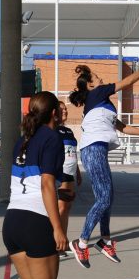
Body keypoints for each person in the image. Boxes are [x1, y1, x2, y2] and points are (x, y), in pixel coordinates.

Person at [2, 92, 74, 279]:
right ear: (54, 112)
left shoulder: (23, 140)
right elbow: (46, 184)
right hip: (36, 221)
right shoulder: (52, 138)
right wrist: (58, 228)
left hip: (12, 221)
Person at [67, 63, 139, 268]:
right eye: (97, 77)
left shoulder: (102, 103)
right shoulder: (98, 93)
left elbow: (122, 127)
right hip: (93, 149)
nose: (100, 79)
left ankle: (105, 240)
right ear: (91, 85)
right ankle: (81, 242)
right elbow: (125, 83)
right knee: (104, 198)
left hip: (96, 149)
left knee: (107, 196)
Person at [56, 101, 82, 257]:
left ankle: (62, 241)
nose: (65, 111)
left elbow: (73, 152)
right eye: (62, 109)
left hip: (71, 174)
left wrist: (78, 172)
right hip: (61, 173)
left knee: (66, 209)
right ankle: (57, 243)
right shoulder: (52, 131)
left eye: (66, 109)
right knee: (61, 208)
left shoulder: (68, 131)